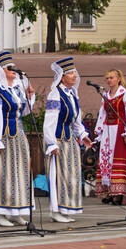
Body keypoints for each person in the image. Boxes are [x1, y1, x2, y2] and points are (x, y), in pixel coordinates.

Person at [0, 49, 35, 226]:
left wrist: (30, 96)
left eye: (14, 67)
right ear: (1, 71)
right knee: (3, 172)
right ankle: (0, 212)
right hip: (3, 135)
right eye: (9, 68)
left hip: (19, 134)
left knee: (20, 172)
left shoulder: (16, 89)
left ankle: (17, 210)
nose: (14, 70)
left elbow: (25, 112)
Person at [43, 56, 90, 222]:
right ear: (62, 76)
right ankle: (55, 211)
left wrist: (83, 135)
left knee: (70, 175)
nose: (74, 76)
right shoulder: (55, 95)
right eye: (70, 73)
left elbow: (76, 120)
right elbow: (49, 121)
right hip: (58, 140)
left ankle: (65, 207)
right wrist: (51, 143)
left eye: (74, 73)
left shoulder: (72, 94)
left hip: (70, 141)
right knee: (58, 175)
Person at [93, 68, 126, 204]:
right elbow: (102, 114)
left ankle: (118, 194)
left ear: (119, 79)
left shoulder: (125, 94)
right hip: (108, 129)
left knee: (117, 160)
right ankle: (108, 192)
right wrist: (99, 132)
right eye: (107, 78)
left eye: (111, 77)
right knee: (106, 160)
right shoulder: (105, 95)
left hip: (119, 130)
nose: (109, 80)